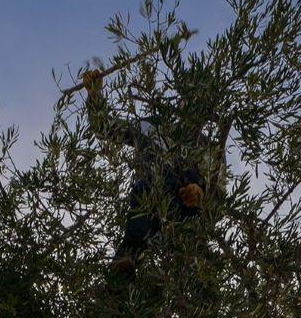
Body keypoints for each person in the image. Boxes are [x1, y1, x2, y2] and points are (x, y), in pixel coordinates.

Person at [80, 67, 209, 273]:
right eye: (191, 100)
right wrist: (95, 96)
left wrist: (199, 194)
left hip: (187, 213)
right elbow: (106, 127)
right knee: (139, 219)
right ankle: (120, 279)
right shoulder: (151, 126)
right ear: (182, 102)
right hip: (150, 193)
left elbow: (217, 193)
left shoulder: (207, 146)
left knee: (193, 269)